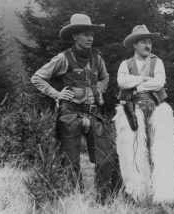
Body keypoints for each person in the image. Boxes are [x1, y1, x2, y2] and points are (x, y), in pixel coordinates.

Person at [31, 13, 121, 204]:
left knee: (106, 157)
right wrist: (57, 94)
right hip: (70, 115)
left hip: (93, 113)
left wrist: (99, 91)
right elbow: (37, 77)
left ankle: (103, 201)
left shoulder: (98, 58)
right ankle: (75, 201)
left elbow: (105, 77)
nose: (90, 38)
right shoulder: (63, 58)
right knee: (70, 162)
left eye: (92, 35)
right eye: (85, 34)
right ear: (74, 36)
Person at [113, 25, 174, 207]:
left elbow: (159, 83)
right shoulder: (125, 64)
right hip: (134, 111)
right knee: (134, 151)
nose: (147, 45)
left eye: (149, 41)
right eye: (143, 42)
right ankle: (137, 194)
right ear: (135, 44)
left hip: (155, 109)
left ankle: (165, 195)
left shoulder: (157, 62)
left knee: (161, 150)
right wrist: (143, 80)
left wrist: (136, 85)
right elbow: (122, 82)